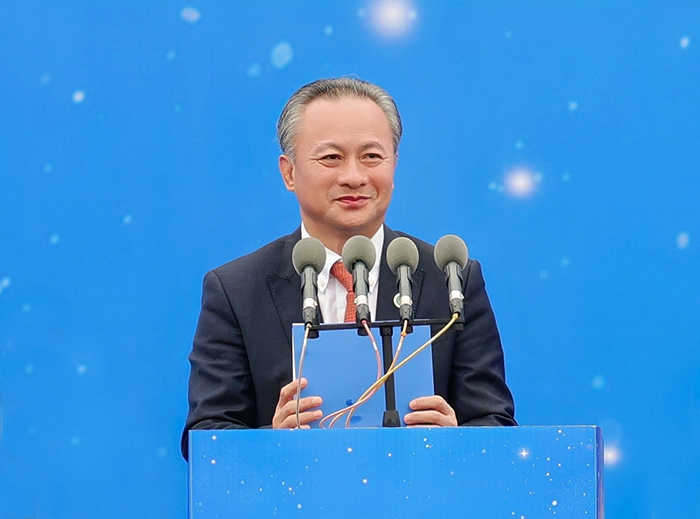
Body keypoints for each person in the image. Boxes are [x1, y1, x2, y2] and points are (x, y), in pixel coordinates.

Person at [181, 77, 515, 459]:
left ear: (394, 163)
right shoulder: (237, 290)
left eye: (371, 156)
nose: (354, 177)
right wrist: (272, 440)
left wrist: (457, 441)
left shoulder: (451, 278)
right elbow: (204, 440)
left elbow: (496, 425)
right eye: (331, 158)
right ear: (289, 172)